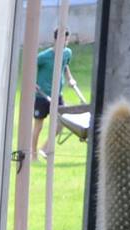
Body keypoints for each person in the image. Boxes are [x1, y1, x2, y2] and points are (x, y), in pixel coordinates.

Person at [34, 28, 84, 159]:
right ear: (55, 39)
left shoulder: (67, 53)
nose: (65, 42)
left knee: (62, 122)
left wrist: (70, 79)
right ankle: (33, 155)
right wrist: (33, 82)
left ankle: (44, 149)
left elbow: (65, 66)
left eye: (67, 39)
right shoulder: (43, 57)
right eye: (63, 39)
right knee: (39, 125)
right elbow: (31, 66)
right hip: (42, 95)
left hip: (58, 94)